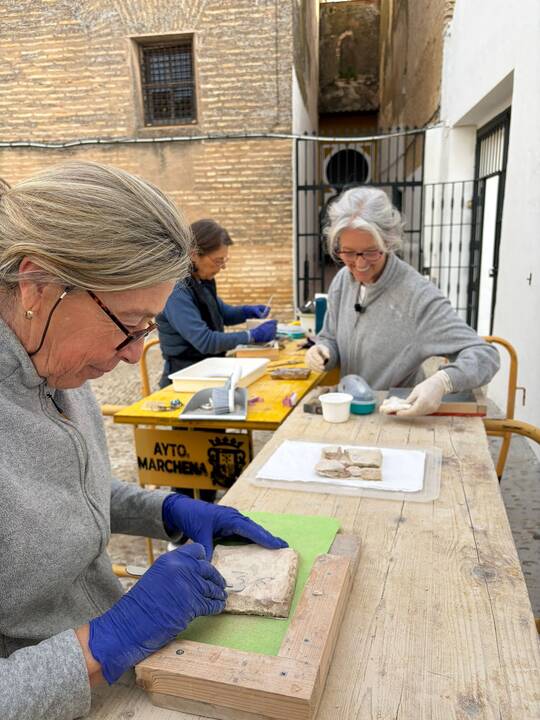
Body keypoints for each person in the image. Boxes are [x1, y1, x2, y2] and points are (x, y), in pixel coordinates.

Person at [0, 161, 287, 720]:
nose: (135, 355)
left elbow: (63, 491)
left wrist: (167, 511)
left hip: (118, 673)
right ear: (38, 286)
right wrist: (107, 640)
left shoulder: (55, 363)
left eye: (147, 328)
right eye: (128, 324)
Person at [306, 186, 500, 416]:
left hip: (396, 418)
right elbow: (330, 336)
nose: (359, 264)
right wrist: (323, 350)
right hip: (352, 411)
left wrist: (443, 381)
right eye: (348, 253)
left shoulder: (417, 297)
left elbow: (485, 355)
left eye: (371, 252)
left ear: (388, 243)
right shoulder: (342, 281)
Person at [157, 219, 277, 388]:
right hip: (184, 378)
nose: (223, 267)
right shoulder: (176, 290)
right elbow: (205, 341)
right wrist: (251, 336)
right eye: (218, 261)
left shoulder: (200, 279)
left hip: (208, 370)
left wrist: (247, 312)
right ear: (194, 254)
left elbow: (222, 313)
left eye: (224, 260)